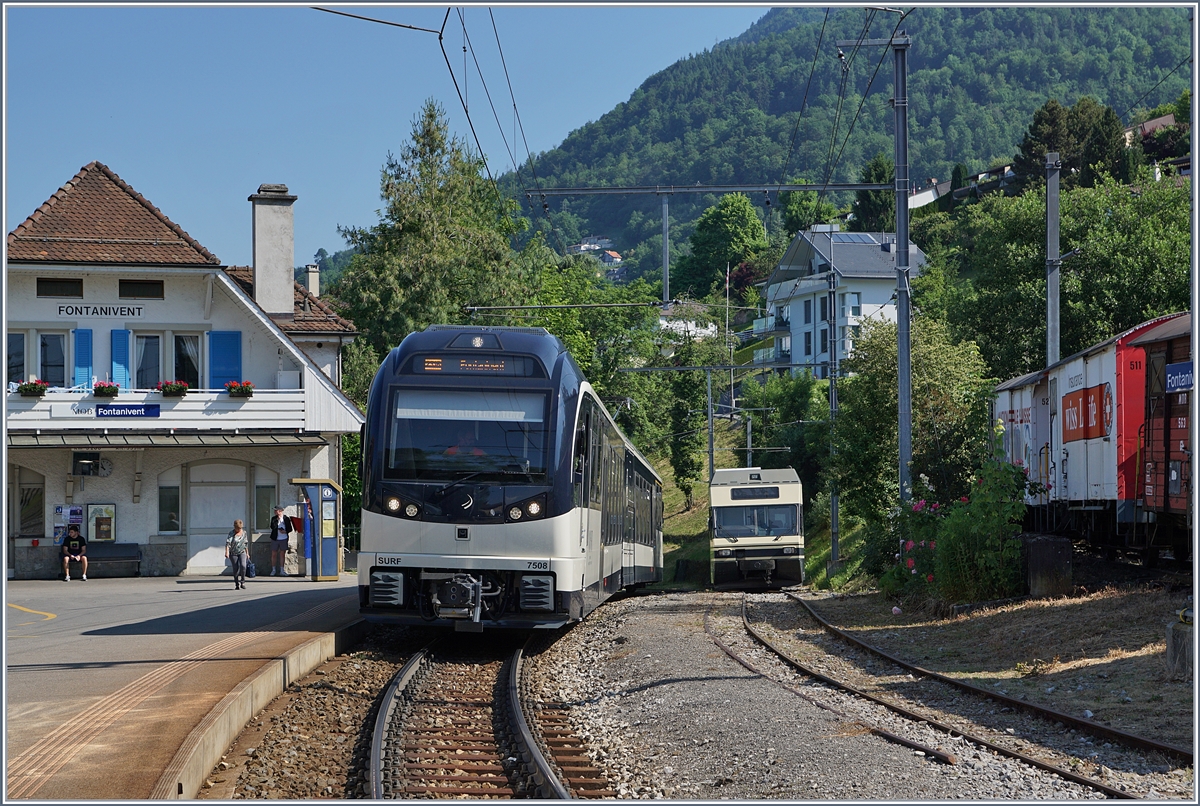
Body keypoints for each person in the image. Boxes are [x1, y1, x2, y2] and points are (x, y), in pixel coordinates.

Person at [268, 505, 295, 576]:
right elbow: (272, 527)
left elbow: (290, 528)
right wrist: (278, 520)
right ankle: (273, 570)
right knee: (274, 554)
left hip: (283, 538)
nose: (274, 512)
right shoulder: (274, 518)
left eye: (276, 510)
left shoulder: (286, 518)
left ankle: (282, 570)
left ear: (280, 511)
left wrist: (285, 531)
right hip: (275, 538)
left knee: (282, 554)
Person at [225, 519, 250, 589]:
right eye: (237, 528)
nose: (238, 530)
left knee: (243, 566)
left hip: (242, 552)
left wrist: (247, 553)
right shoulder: (231, 533)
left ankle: (243, 581)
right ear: (234, 527)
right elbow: (228, 543)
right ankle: (236, 583)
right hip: (233, 553)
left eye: (240, 528)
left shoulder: (244, 533)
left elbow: (246, 544)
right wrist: (227, 552)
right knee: (236, 568)